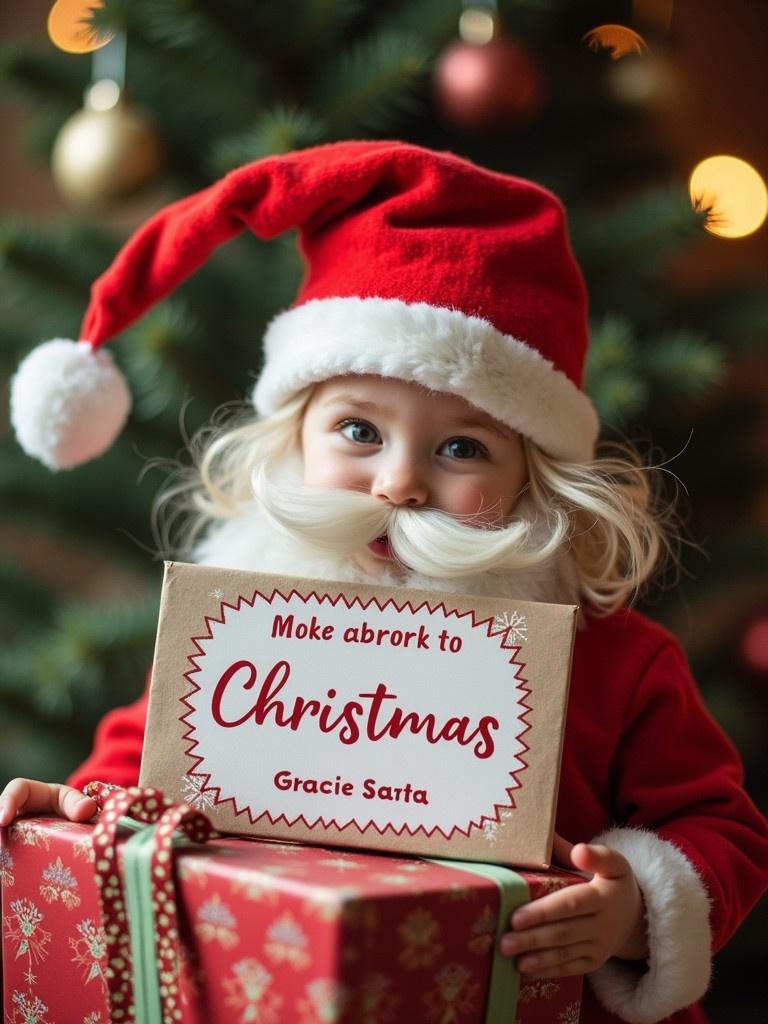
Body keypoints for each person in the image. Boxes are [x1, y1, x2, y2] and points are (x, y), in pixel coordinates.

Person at [4, 141, 767, 1024]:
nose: (398, 484)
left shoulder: (618, 659)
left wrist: (637, 906)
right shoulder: (235, 631)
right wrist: (79, 811)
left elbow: (726, 834)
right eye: (359, 431)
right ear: (292, 439)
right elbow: (133, 767)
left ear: (532, 478)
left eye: (460, 448)